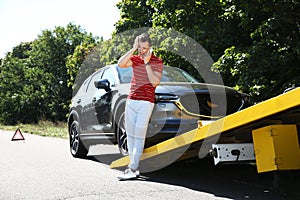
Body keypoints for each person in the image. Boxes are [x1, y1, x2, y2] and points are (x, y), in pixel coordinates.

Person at [117, 33, 163, 180]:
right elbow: (120, 64)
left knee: (139, 136)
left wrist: (147, 63)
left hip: (146, 102)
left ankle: (132, 167)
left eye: (144, 48)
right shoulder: (135, 58)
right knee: (130, 135)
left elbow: (155, 82)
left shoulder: (156, 61)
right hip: (131, 100)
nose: (142, 50)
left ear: (150, 47)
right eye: (139, 47)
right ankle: (133, 167)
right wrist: (132, 49)